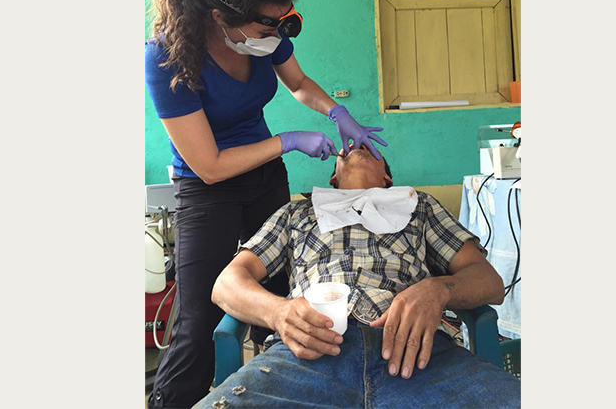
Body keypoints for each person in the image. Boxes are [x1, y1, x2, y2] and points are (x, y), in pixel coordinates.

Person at [144, 0, 387, 408]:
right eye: (265, 30)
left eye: (282, 23)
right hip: (206, 189)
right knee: (200, 320)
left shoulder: (265, 31)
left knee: (285, 293)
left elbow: (298, 83)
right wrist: (289, 141)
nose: (275, 38)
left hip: (265, 178)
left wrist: (336, 113)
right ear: (220, 17)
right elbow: (209, 166)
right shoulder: (166, 58)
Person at [195, 145, 522, 408]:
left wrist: (438, 290)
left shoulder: (419, 206)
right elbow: (227, 284)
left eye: (370, 146)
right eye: (347, 146)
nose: (357, 144)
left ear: (387, 178)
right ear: (333, 179)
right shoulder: (297, 213)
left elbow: (490, 282)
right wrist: (279, 312)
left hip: (416, 353)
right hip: (306, 355)